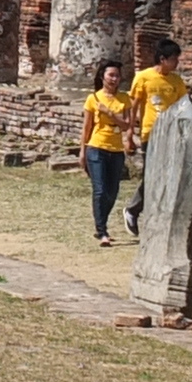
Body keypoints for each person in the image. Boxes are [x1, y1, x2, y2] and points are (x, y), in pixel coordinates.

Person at [123, 38, 189, 236]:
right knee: (152, 176)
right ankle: (134, 210)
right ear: (162, 59)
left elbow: (184, 107)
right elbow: (133, 107)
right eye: (174, 59)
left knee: (170, 176)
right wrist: (129, 134)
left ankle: (161, 217)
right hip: (150, 134)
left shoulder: (176, 81)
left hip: (173, 135)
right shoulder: (143, 77)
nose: (176, 63)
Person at [79, 61, 133, 246]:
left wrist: (109, 112)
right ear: (102, 77)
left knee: (112, 192)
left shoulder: (124, 98)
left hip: (116, 150)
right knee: (100, 190)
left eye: (117, 75)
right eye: (111, 75)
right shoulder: (93, 98)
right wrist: (82, 151)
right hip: (96, 147)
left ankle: (102, 223)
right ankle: (101, 230)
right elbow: (86, 128)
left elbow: (127, 125)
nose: (114, 79)